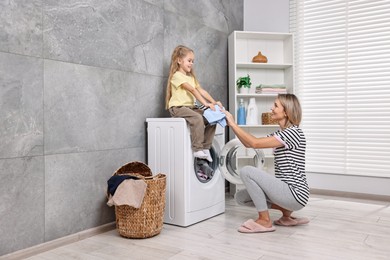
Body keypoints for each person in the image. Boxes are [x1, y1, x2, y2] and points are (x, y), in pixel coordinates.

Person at [223, 93, 310, 233]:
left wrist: (233, 123)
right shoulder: (280, 133)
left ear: (286, 111)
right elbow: (248, 143)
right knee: (241, 198)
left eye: (276, 105)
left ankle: (265, 221)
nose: (271, 108)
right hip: (289, 193)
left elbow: (254, 143)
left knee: (246, 171)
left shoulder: (293, 133)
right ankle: (286, 215)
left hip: (295, 193)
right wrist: (232, 124)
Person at [166, 45, 223, 162]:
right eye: (189, 60)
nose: (191, 63)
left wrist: (214, 102)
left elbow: (201, 91)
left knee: (213, 118)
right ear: (179, 60)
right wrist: (206, 104)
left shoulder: (191, 78)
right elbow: (192, 90)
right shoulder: (176, 76)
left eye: (193, 61)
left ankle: (206, 148)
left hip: (191, 107)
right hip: (178, 108)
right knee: (197, 118)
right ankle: (197, 150)